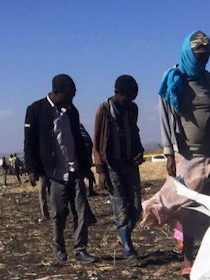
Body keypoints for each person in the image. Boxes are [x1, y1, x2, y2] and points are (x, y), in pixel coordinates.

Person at [142, 30, 210, 276]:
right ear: (188, 53)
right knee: (187, 206)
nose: (203, 60)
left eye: (206, 56)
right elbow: (165, 118)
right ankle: (187, 259)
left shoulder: (209, 80)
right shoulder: (174, 79)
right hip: (188, 155)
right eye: (199, 56)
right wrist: (168, 153)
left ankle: (208, 255)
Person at [24, 74, 97, 264]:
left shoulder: (72, 111)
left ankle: (80, 249)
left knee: (81, 211)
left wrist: (86, 167)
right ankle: (59, 248)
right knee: (58, 214)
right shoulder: (35, 110)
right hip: (55, 172)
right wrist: (31, 168)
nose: (72, 99)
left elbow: (78, 140)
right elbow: (29, 143)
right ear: (56, 93)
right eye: (69, 95)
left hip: (75, 169)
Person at [94, 74, 145, 259]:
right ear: (118, 93)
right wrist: (101, 171)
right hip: (112, 166)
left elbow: (134, 131)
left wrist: (139, 151)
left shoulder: (132, 109)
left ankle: (124, 236)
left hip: (130, 164)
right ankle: (128, 250)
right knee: (121, 209)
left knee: (136, 209)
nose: (130, 100)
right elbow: (97, 142)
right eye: (128, 97)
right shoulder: (104, 110)